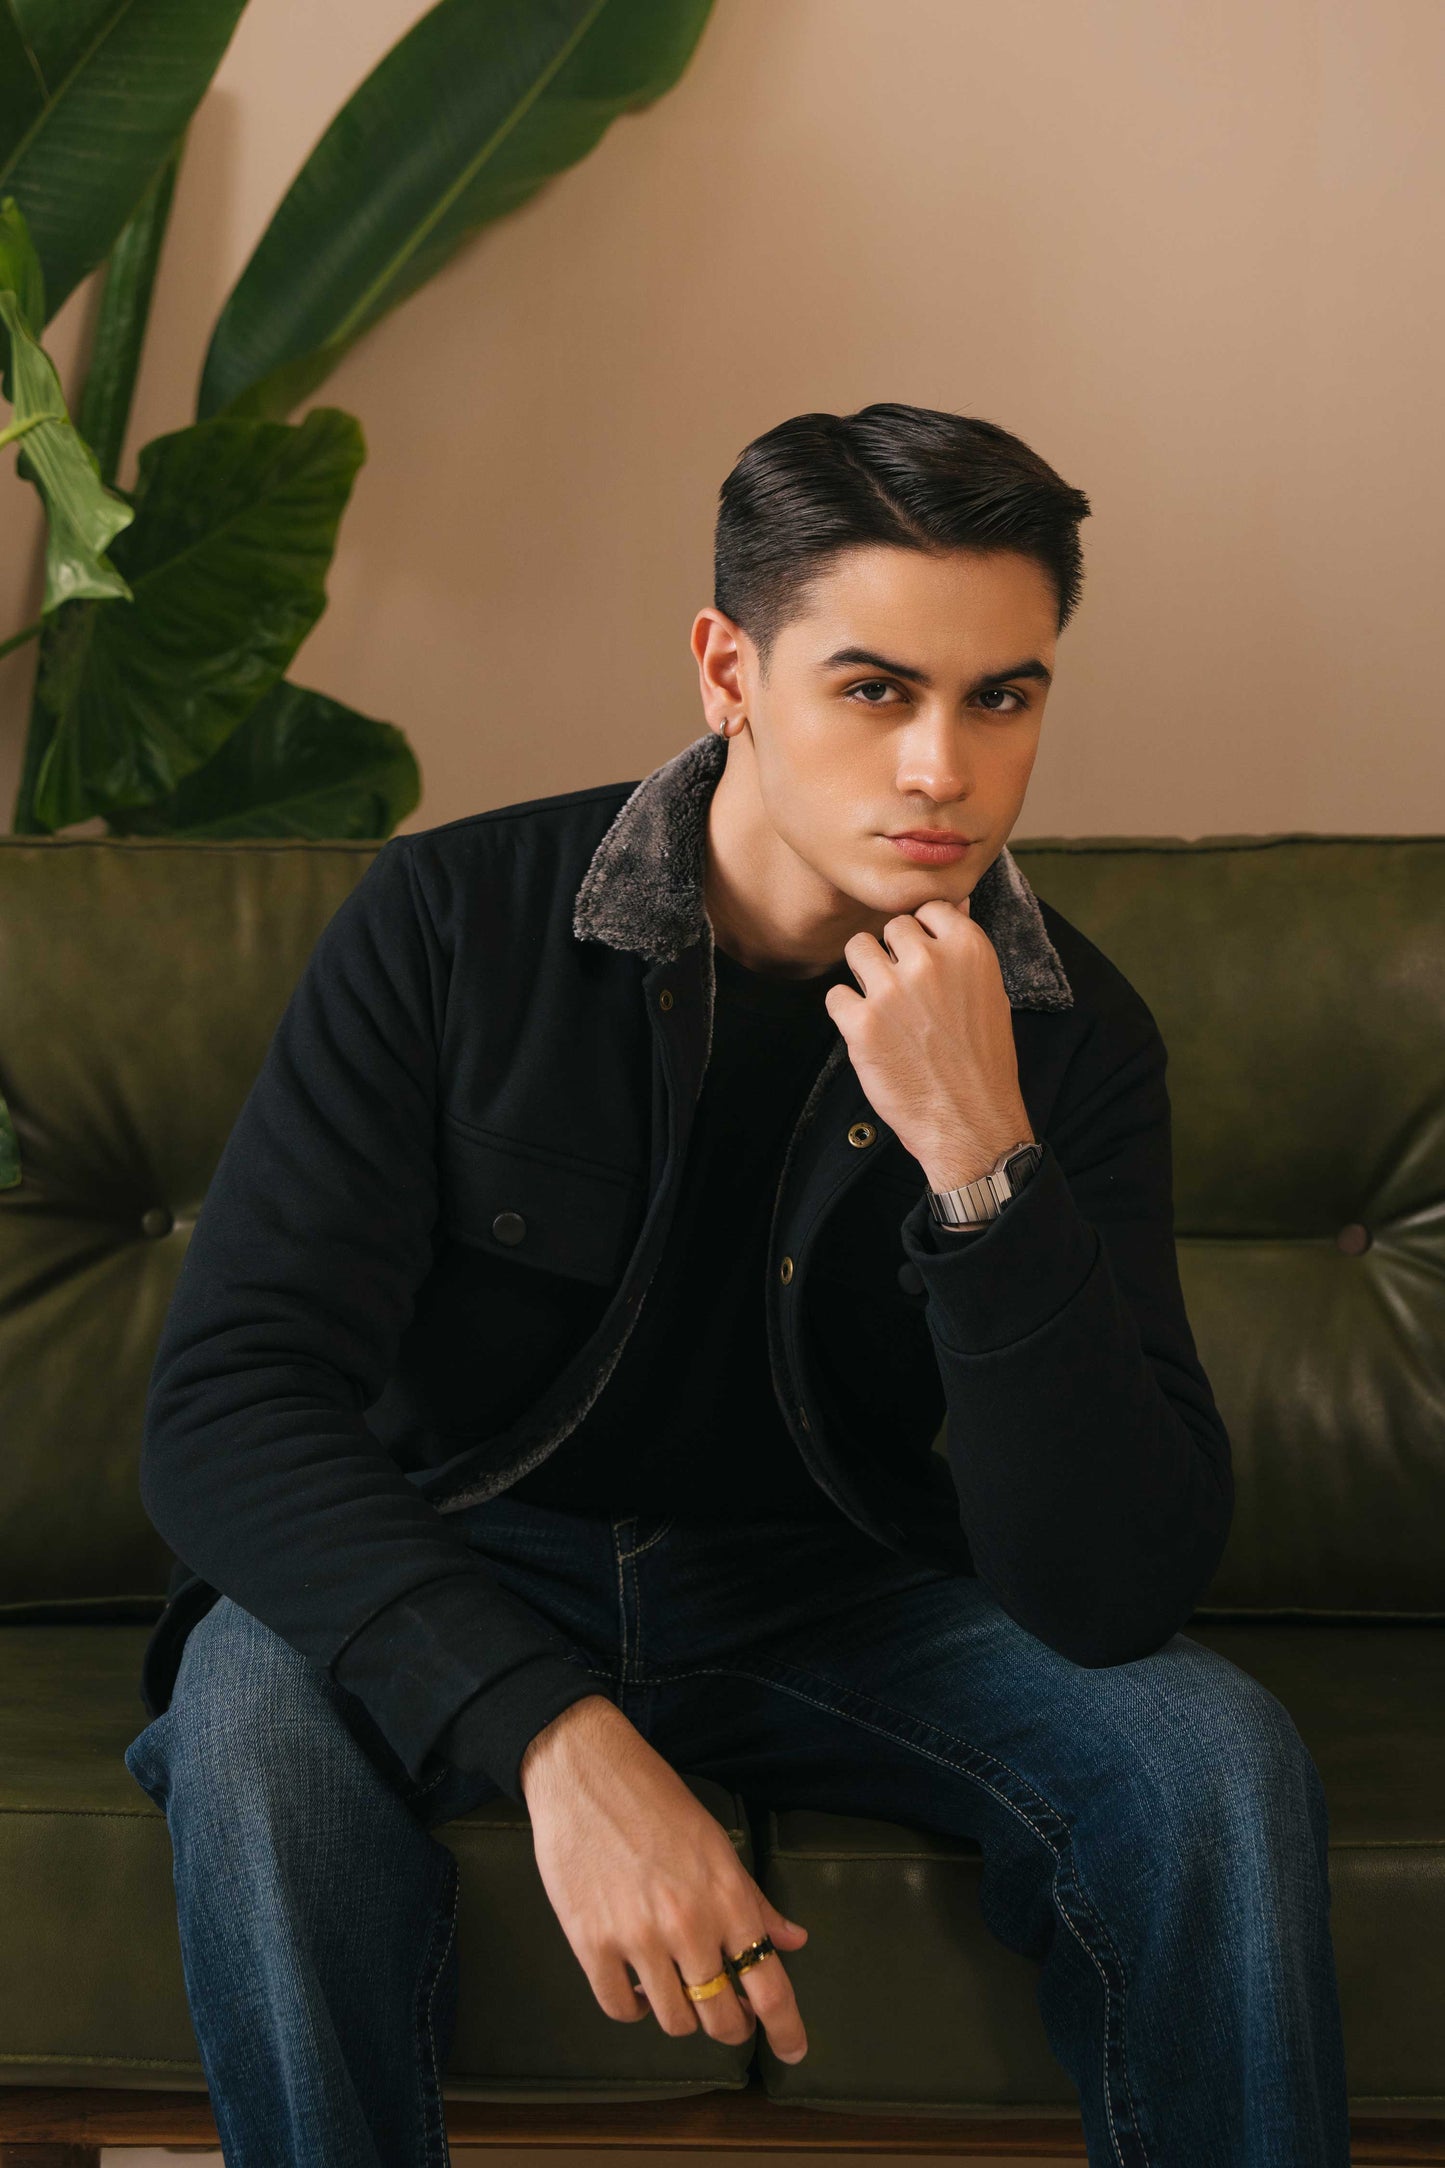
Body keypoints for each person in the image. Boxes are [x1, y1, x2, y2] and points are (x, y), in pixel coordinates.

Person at [123, 402, 1350, 2167]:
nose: (941, 768)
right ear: (727, 671)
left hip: (835, 1588)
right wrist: (555, 1734)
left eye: (1001, 697)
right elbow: (226, 1405)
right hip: (462, 1546)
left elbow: (1115, 1588)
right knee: (253, 1719)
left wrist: (982, 1165)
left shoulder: (1071, 1034)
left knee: (1208, 1755)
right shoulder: (455, 920)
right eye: (874, 690)